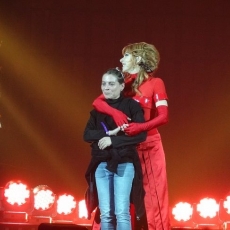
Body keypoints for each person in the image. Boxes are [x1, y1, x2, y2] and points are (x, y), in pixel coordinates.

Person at [92, 42, 170, 230]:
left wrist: (140, 127)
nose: (121, 59)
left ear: (139, 59)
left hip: (149, 147)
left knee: (154, 199)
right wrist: (116, 113)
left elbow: (164, 117)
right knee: (112, 198)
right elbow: (97, 102)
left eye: (126, 56)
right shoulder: (124, 83)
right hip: (123, 146)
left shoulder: (155, 83)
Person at [84, 68, 147, 230]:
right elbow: (87, 134)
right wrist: (108, 133)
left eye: (111, 84)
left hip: (124, 164)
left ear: (121, 86)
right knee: (106, 213)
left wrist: (112, 140)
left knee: (122, 212)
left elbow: (140, 135)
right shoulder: (98, 110)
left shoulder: (132, 106)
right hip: (101, 164)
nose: (106, 87)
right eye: (103, 84)